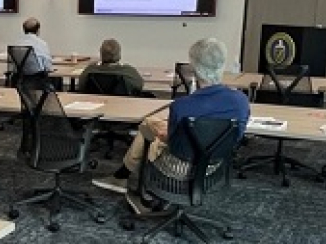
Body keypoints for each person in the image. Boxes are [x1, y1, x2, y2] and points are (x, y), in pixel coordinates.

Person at [92, 38, 249, 194]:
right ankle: (124, 176)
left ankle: (130, 181)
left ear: (195, 69)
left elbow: (173, 143)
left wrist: (162, 134)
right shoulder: (241, 102)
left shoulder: (182, 106)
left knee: (150, 132)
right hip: (215, 167)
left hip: (177, 170)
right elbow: (236, 136)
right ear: (222, 65)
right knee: (151, 122)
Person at [78, 38, 145, 94]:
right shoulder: (129, 71)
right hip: (122, 105)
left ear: (101, 54)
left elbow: (81, 86)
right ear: (119, 55)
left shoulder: (90, 70)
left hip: (93, 104)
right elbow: (139, 86)